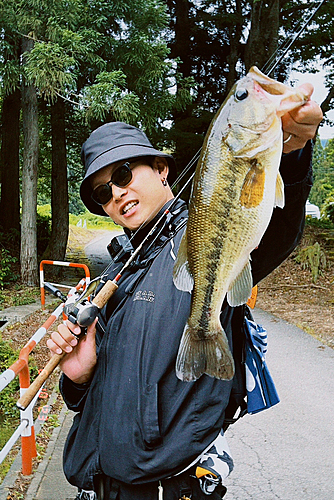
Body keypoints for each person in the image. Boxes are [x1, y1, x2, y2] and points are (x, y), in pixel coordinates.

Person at [48, 83, 323, 500]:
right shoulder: (115, 272)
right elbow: (99, 395)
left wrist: (293, 150)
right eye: (103, 192)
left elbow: (276, 230)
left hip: (168, 483)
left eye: (123, 174)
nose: (117, 193)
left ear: (161, 169)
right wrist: (80, 378)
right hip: (98, 482)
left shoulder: (198, 230)